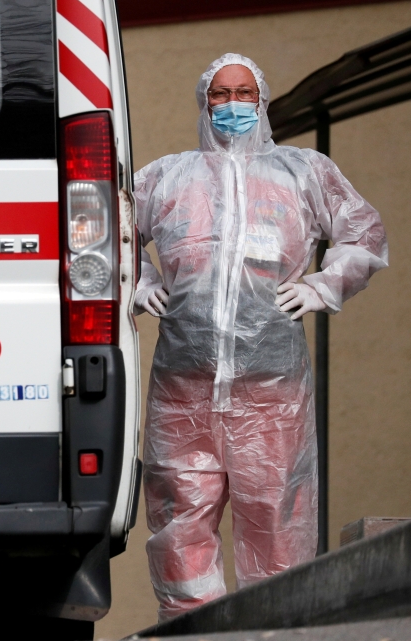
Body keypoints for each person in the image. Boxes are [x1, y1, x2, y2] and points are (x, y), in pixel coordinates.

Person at [133, 53, 388, 621]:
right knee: (179, 523)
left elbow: (363, 232)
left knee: (277, 521)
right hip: (184, 389)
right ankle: (192, 633)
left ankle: (273, 632)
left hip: (272, 390)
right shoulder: (167, 176)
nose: (232, 105)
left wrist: (323, 286)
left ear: (262, 100)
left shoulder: (303, 172)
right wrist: (140, 281)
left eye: (243, 93)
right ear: (204, 103)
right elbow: (105, 229)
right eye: (219, 95)